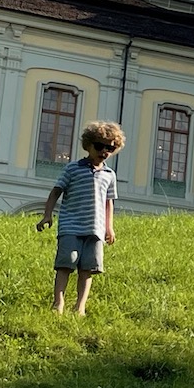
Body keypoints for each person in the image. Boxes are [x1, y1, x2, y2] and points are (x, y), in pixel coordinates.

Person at [36, 120, 125, 315]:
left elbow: (109, 202)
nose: (104, 151)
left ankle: (80, 306)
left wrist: (109, 228)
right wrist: (47, 215)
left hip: (95, 229)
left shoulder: (109, 174)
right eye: (99, 146)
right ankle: (58, 303)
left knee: (88, 268)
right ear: (88, 145)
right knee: (65, 264)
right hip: (70, 226)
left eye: (110, 148)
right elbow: (56, 192)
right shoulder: (73, 169)